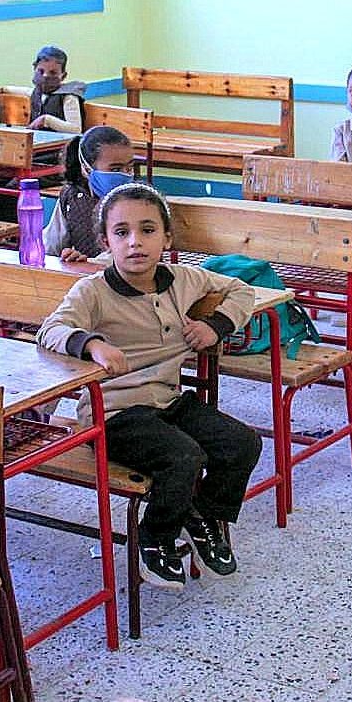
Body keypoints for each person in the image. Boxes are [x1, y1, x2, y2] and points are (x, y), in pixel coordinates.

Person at [36, 183, 260, 590]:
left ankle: (201, 515)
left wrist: (216, 325)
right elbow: (50, 330)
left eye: (148, 230)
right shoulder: (93, 291)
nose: (135, 243)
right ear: (105, 242)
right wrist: (93, 343)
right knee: (183, 456)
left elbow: (240, 289)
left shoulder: (182, 280)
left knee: (242, 443)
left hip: (167, 401)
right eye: (121, 233)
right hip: (115, 414)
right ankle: (154, 538)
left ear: (167, 238)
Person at [0, 46, 88, 219]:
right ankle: (2, 227)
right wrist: (4, 89)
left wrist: (46, 120)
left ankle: (17, 233)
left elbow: (76, 129)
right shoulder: (37, 93)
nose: (46, 77)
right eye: (41, 71)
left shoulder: (68, 97)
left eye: (53, 73)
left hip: (57, 163)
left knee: (15, 186)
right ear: (34, 69)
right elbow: (24, 91)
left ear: (63, 76)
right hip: (35, 159)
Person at [43, 126, 134, 262]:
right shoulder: (72, 197)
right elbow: (50, 246)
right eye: (115, 169)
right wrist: (66, 257)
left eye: (130, 167)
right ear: (86, 169)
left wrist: (88, 262)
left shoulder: (138, 202)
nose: (125, 175)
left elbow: (129, 253)